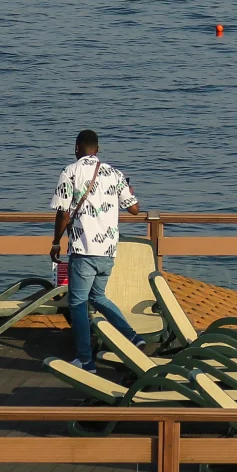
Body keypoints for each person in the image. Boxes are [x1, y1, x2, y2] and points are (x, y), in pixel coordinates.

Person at [50, 129, 145, 371]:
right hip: (109, 250)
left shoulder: (70, 172)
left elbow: (62, 212)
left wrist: (55, 242)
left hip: (83, 250)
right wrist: (129, 191)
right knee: (98, 296)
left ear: (76, 148)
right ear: (98, 150)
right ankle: (132, 336)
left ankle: (85, 360)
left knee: (78, 303)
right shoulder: (115, 173)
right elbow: (133, 209)